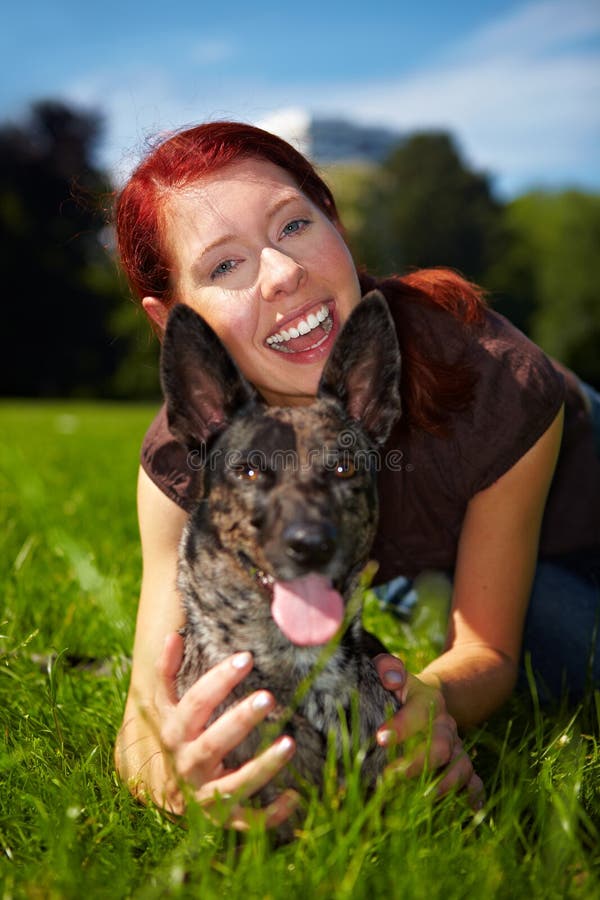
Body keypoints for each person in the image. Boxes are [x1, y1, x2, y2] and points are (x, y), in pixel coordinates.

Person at [113, 121, 600, 830]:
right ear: (173, 319)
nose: (282, 273)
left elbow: (486, 651)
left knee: (572, 658)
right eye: (225, 266)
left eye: (294, 224)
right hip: (446, 540)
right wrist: (170, 780)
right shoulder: (191, 460)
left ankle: (408, 586)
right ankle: (409, 582)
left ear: (336, 226)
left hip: (577, 492)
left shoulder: (495, 377)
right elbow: (145, 711)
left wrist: (423, 701)